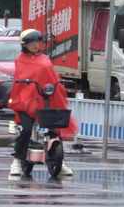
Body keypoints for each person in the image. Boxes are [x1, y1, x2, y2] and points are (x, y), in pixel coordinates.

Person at [8, 29, 76, 177]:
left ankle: (60, 161)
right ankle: (17, 161)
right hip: (26, 101)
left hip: (44, 99)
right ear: (24, 45)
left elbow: (51, 77)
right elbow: (19, 80)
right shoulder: (20, 60)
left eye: (37, 42)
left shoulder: (45, 59)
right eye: (31, 43)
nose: (34, 45)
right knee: (26, 130)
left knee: (55, 129)